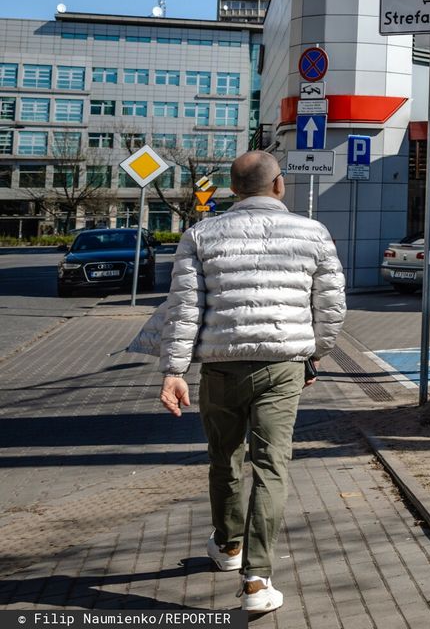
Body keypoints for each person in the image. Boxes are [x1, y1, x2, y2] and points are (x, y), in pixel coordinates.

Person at [158, 150, 346, 614]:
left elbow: (183, 309)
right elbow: (332, 305)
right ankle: (257, 580)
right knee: (271, 465)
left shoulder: (199, 234)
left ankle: (228, 547)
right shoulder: (312, 232)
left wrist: (174, 371)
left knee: (224, 457)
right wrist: (314, 353)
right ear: (279, 185)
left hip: (220, 368)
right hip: (283, 365)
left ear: (233, 190)